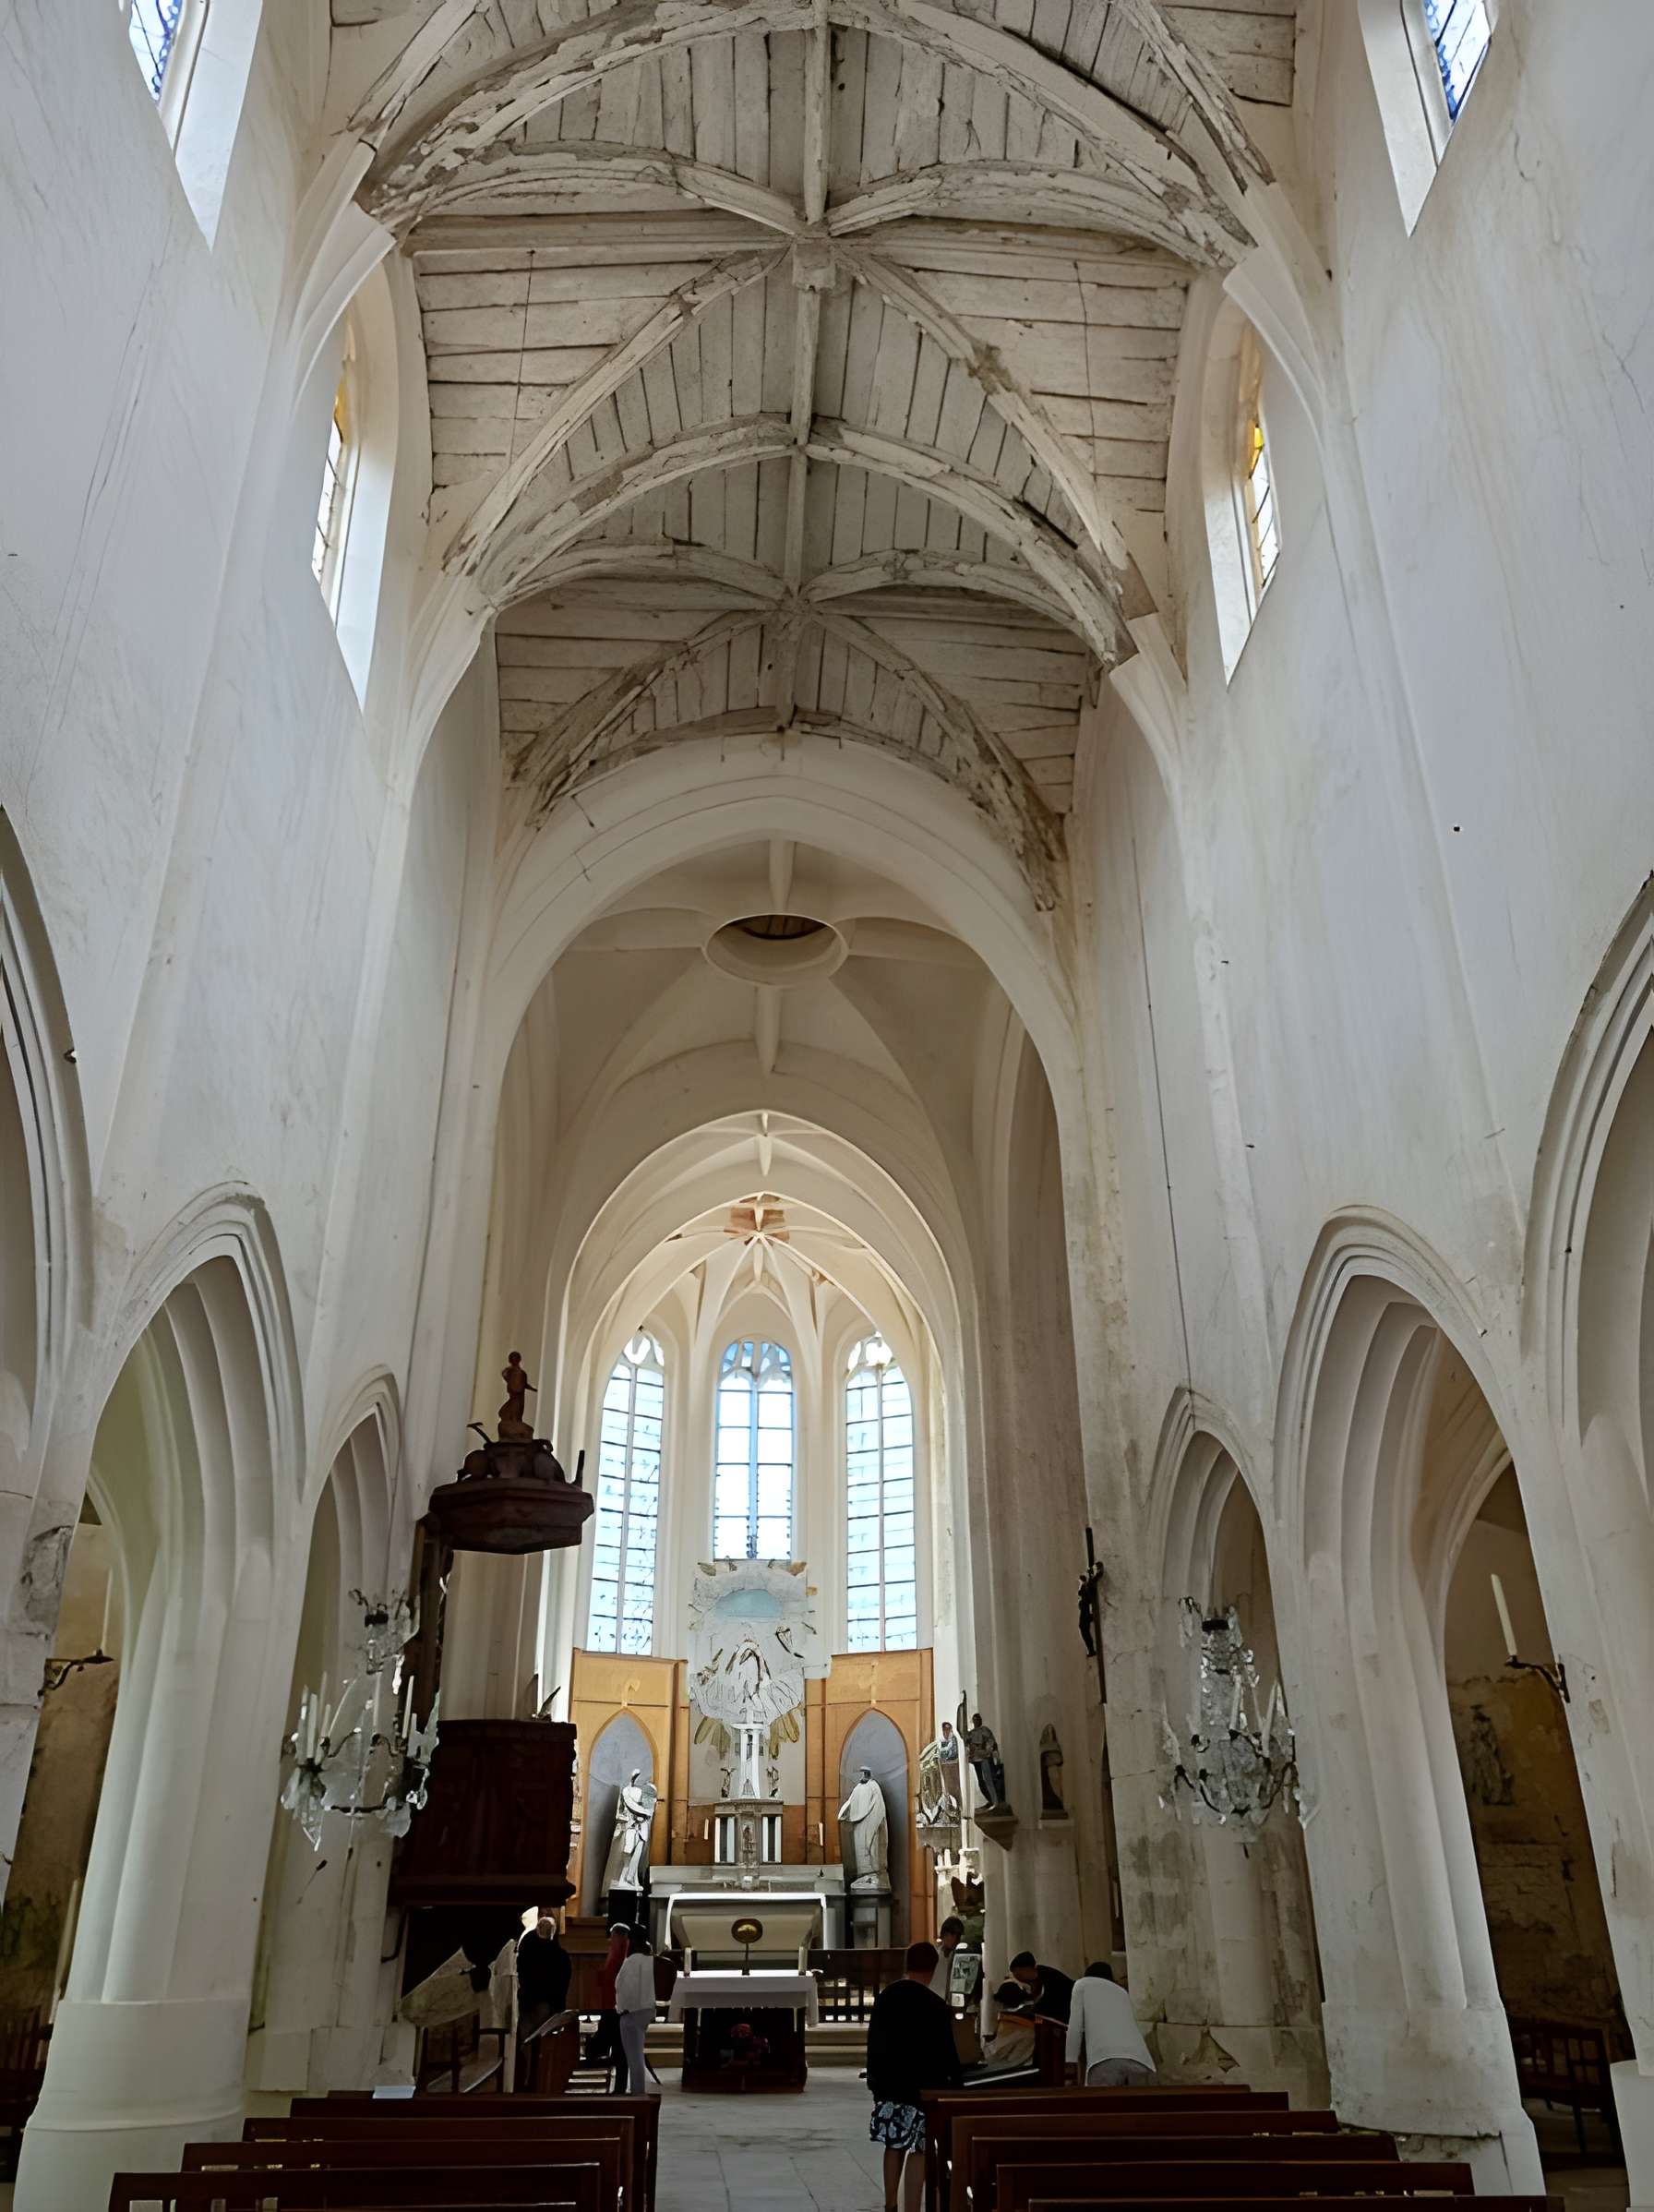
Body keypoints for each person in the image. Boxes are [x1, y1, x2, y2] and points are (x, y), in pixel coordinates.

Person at [867, 1940, 963, 2212]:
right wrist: (957, 2087)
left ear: (907, 1965)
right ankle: (911, 2208)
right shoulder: (935, 2004)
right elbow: (947, 2052)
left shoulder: (886, 1997)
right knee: (919, 2150)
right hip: (924, 2089)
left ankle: (889, 2204)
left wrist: (875, 2082)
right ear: (932, 1969)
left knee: (893, 2146)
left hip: (890, 2085)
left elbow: (873, 2043)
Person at [1066, 1961, 1156, 2086]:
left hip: (1105, 2059)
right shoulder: (1122, 1992)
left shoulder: (1082, 1984)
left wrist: (1070, 2060)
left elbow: (1075, 2027)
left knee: (1101, 2105)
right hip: (1141, 2060)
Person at [613, 1929, 658, 2096]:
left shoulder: (631, 1961)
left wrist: (621, 2008)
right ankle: (638, 2091)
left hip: (631, 2011)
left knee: (634, 2057)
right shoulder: (650, 1959)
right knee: (637, 2054)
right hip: (646, 2008)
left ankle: (638, 2093)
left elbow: (625, 1988)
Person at [589, 1920, 631, 2091]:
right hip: (613, 2007)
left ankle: (619, 2086)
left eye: (612, 1936)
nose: (609, 1940)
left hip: (615, 2009)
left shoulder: (620, 1957)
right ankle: (619, 2086)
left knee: (617, 2049)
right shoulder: (619, 1955)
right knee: (618, 2049)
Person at [516, 1912, 571, 2038]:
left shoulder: (527, 1949)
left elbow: (520, 1973)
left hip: (528, 2001)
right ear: (553, 1932)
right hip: (548, 2004)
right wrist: (559, 2006)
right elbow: (563, 1982)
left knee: (525, 2038)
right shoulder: (560, 1955)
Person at [1009, 1950, 1073, 2025]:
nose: (1016, 1976)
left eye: (1018, 1972)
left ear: (1027, 1968)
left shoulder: (1050, 1977)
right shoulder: (1035, 1981)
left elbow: (1049, 2005)